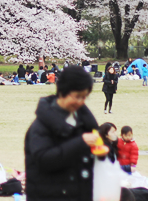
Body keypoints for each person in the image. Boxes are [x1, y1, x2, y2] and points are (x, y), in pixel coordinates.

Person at [24, 66, 100, 201]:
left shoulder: (84, 122)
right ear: (63, 92)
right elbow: (44, 160)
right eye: (77, 96)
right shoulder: (41, 126)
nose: (81, 102)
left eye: (85, 97)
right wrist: (80, 143)